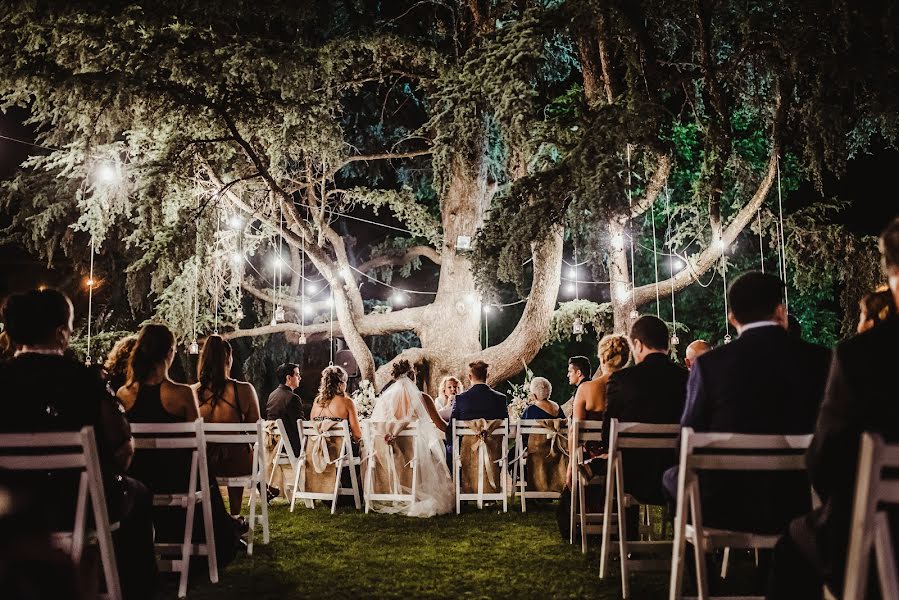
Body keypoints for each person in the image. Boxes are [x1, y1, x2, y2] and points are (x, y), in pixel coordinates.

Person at [768, 218, 899, 599]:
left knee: (795, 547)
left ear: (892, 272)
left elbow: (826, 460)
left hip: (885, 534)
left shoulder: (865, 354)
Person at [0, 289, 156, 599]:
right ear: (60, 333)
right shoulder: (86, 380)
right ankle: (135, 590)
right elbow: (121, 444)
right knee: (138, 494)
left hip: (11, 506)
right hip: (77, 504)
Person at [663, 271, 831, 535]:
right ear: (780, 311)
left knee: (672, 476)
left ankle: (700, 567)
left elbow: (688, 437)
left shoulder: (709, 366)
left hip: (726, 503)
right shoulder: (821, 359)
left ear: (732, 318)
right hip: (800, 499)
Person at [117, 323, 239, 566]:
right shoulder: (182, 394)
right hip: (177, 480)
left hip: (137, 479)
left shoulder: (123, 394)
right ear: (170, 353)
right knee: (204, 476)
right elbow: (197, 445)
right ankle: (221, 535)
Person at [603, 316, 688, 536]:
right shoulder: (687, 379)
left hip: (633, 478)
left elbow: (607, 437)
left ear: (638, 345)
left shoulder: (621, 380)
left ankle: (628, 543)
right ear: (667, 345)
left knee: (618, 462)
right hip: (680, 474)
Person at [368, 359, 453, 516]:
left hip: (390, 453)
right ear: (413, 378)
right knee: (438, 453)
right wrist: (455, 431)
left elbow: (378, 427)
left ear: (395, 378)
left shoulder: (385, 399)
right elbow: (441, 425)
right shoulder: (422, 398)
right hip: (413, 456)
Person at [193, 335, 262, 516]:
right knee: (239, 447)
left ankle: (209, 517)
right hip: (236, 465)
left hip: (202, 466)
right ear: (229, 358)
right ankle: (235, 515)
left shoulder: (192, 392)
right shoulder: (244, 390)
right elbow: (255, 429)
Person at [446, 360, 509, 465]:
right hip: (494, 453)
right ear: (487, 376)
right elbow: (505, 427)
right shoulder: (500, 398)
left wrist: (451, 447)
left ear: (470, 377)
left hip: (467, 452)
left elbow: (452, 428)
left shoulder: (461, 398)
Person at [572, 334, 630, 422]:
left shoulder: (585, 389)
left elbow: (575, 430)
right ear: (625, 361)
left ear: (602, 359)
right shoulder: (633, 389)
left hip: (593, 436)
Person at [309, 365, 363, 441]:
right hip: (338, 451)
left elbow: (313, 427)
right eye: (345, 382)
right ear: (340, 384)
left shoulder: (317, 401)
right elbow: (357, 435)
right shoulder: (347, 402)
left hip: (315, 450)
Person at [266, 362, 304, 457]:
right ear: (288, 378)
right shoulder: (293, 398)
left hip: (274, 446)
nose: (300, 378)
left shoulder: (272, 395)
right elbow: (300, 427)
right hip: (290, 448)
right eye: (297, 374)